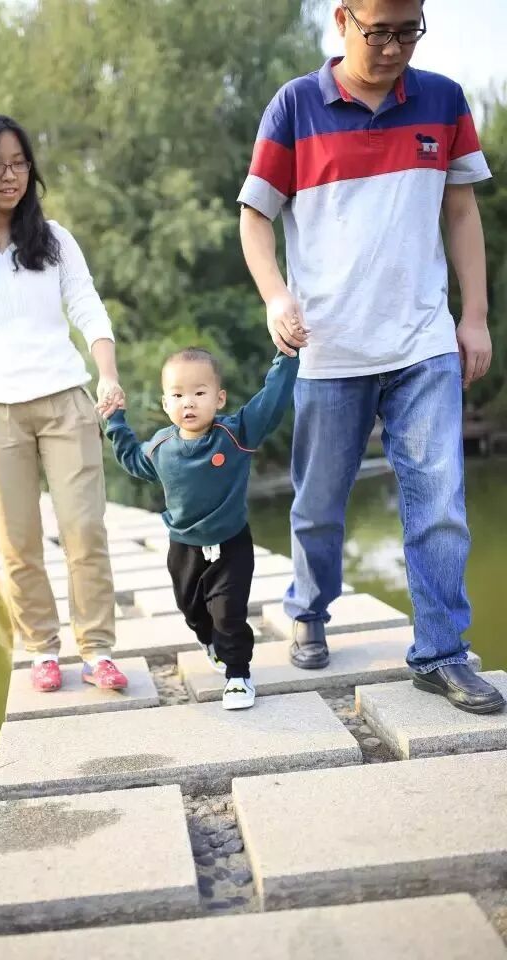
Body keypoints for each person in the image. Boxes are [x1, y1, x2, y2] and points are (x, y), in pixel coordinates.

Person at [237, 0, 505, 714]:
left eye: (408, 31)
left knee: (440, 505)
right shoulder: (295, 106)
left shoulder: (444, 100)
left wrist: (474, 317)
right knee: (319, 503)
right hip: (329, 348)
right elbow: (255, 217)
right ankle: (309, 607)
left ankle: (441, 652)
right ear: (342, 20)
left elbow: (461, 211)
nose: (393, 47)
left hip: (422, 342)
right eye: (378, 31)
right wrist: (274, 297)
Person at [0, 113, 128, 694]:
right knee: (17, 542)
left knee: (84, 528)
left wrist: (107, 374)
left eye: (19, 163)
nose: (10, 175)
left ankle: (97, 649)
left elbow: (87, 306)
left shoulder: (54, 239)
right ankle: (41, 648)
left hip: (66, 401)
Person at [102, 347, 299, 710]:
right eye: (178, 395)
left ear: (218, 398)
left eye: (199, 392)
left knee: (228, 613)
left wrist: (286, 356)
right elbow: (132, 457)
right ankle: (208, 640)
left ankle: (238, 675)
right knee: (192, 610)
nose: (188, 402)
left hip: (231, 544)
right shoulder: (162, 447)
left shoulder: (235, 434)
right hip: (184, 548)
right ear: (165, 403)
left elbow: (271, 401)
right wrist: (115, 419)